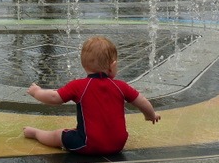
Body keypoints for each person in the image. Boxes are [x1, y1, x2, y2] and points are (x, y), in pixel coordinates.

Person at [23, 36, 160, 155]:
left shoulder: (78, 86)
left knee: (59, 135)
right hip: (118, 145)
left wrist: (37, 92)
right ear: (112, 66)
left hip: (87, 145)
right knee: (80, 131)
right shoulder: (121, 86)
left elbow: (54, 98)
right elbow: (142, 101)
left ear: (84, 65)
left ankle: (35, 133)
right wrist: (150, 115)